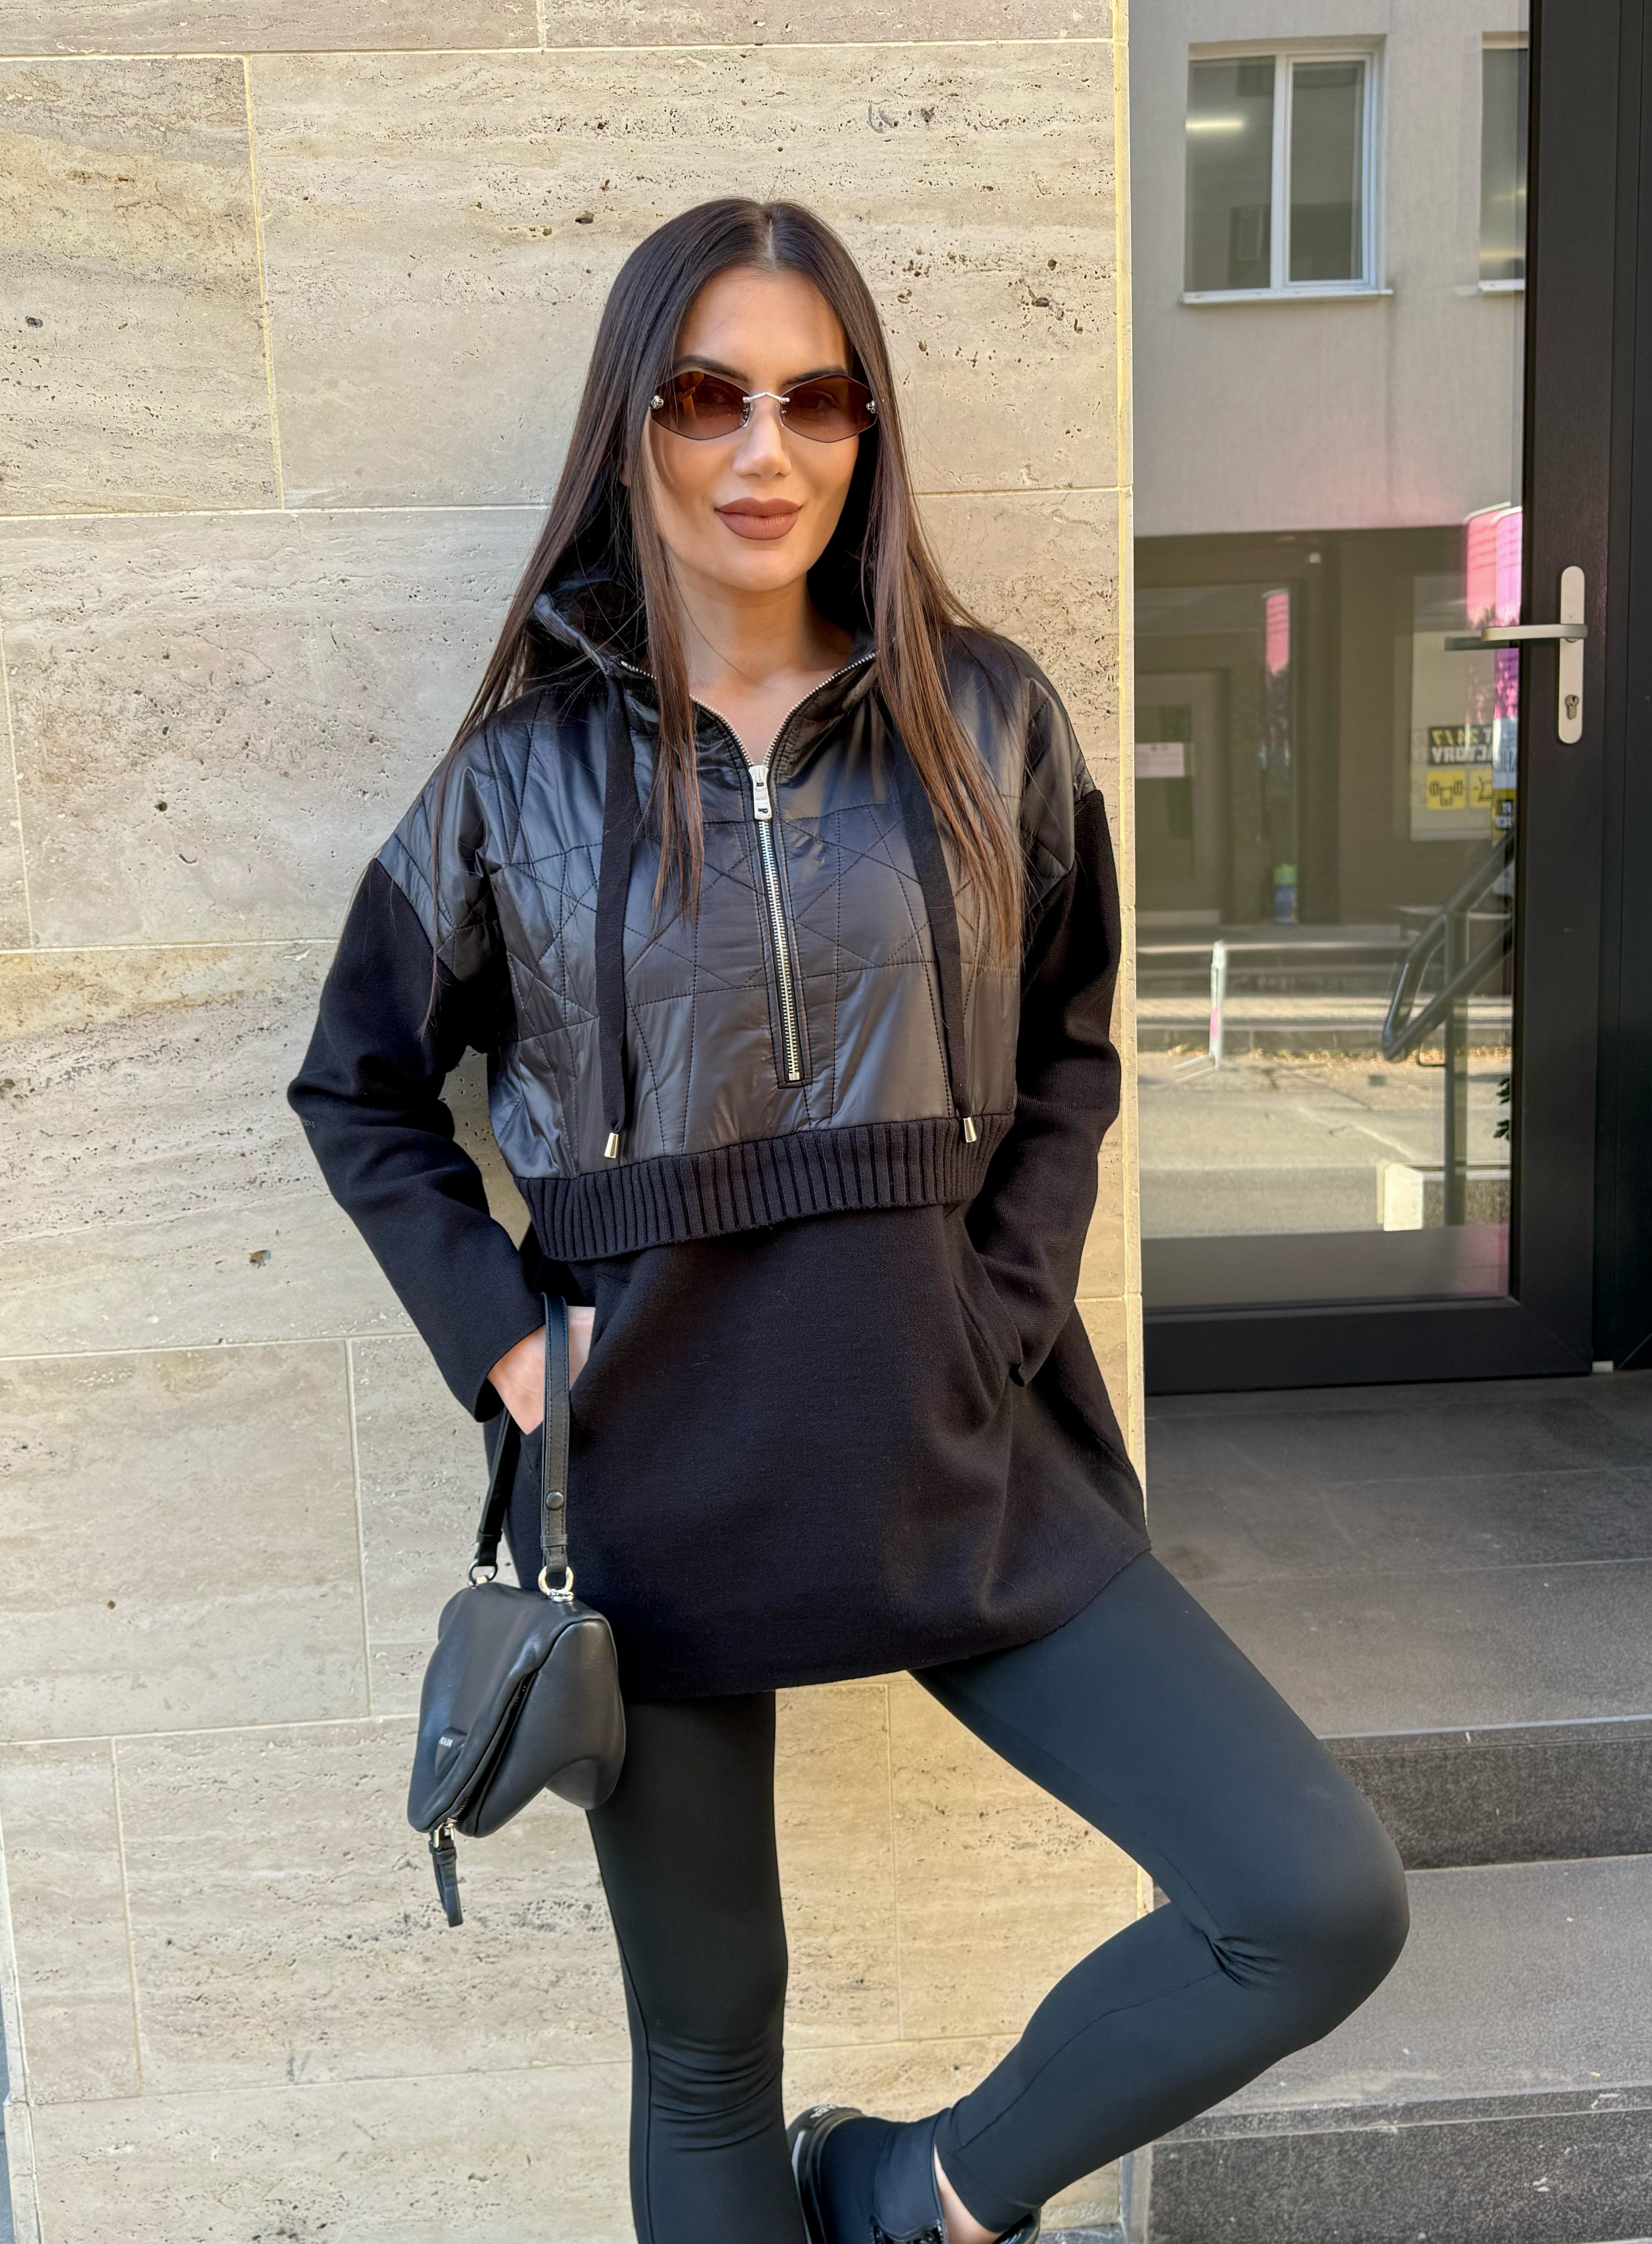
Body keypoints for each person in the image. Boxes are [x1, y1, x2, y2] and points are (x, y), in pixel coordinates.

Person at [287, 198, 1410, 2244]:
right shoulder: (515, 784)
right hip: (657, 1480)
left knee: (1311, 1893)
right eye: (706, 395)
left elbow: (1069, 1046)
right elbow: (357, 1087)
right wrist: (516, 1348)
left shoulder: (989, 718)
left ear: (866, 430)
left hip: (957, 1444)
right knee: (706, 2054)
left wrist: (994, 1308)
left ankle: (904, 2191)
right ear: (631, 424)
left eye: (815, 400)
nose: (762, 449)